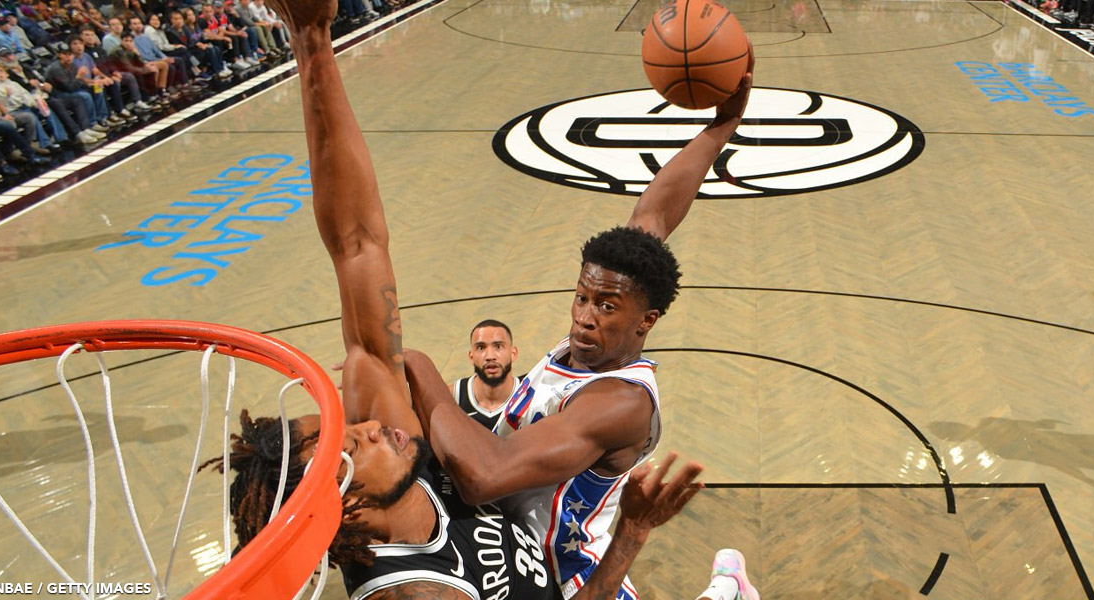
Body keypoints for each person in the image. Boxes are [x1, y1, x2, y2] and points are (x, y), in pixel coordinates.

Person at [203, 0, 721, 598]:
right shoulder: (418, 592)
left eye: (346, 425)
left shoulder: (399, 458)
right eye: (349, 447)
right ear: (334, 506)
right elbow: (483, 476)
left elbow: (357, 244)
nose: (367, 428)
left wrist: (313, 39)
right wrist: (631, 533)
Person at [402, 39, 758, 600]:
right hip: (504, 549)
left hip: (567, 578)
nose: (585, 318)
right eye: (582, 298)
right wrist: (720, 127)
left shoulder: (620, 402)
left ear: (648, 320)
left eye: (607, 307)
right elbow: (655, 212)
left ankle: (728, 593)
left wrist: (417, 368)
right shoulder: (609, 304)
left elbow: (484, 476)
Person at [453, 319, 519, 430]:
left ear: (513, 354)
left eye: (498, 346)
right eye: (481, 348)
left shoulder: (531, 395)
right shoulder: (451, 397)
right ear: (471, 357)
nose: (490, 356)